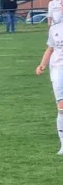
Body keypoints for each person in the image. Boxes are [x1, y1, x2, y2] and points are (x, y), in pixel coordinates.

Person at [36, 22, 63, 155]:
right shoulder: (55, 28)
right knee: (62, 106)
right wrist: (42, 65)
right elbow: (50, 48)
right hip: (58, 68)